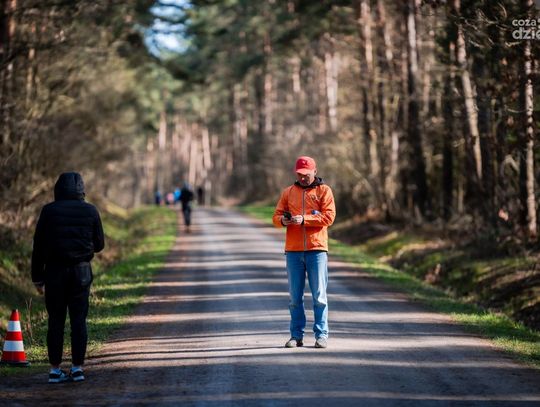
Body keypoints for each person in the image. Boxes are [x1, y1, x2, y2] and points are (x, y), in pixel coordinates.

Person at [31, 172, 105, 383]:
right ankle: (77, 368)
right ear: (81, 190)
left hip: (54, 273)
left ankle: (55, 370)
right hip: (81, 273)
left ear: (58, 189)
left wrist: (37, 278)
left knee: (55, 320)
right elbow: (99, 245)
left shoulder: (48, 211)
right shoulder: (91, 210)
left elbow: (38, 247)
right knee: (78, 320)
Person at [272, 156, 336, 349]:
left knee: (319, 297)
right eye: (300, 174)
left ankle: (321, 335)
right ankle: (296, 336)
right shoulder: (288, 192)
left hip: (317, 250)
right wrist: (283, 221)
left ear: (315, 172)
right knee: (294, 298)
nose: (302, 177)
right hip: (293, 251)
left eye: (306, 174)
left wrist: (305, 219)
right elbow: (276, 217)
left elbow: (329, 217)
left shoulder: (324, 191)